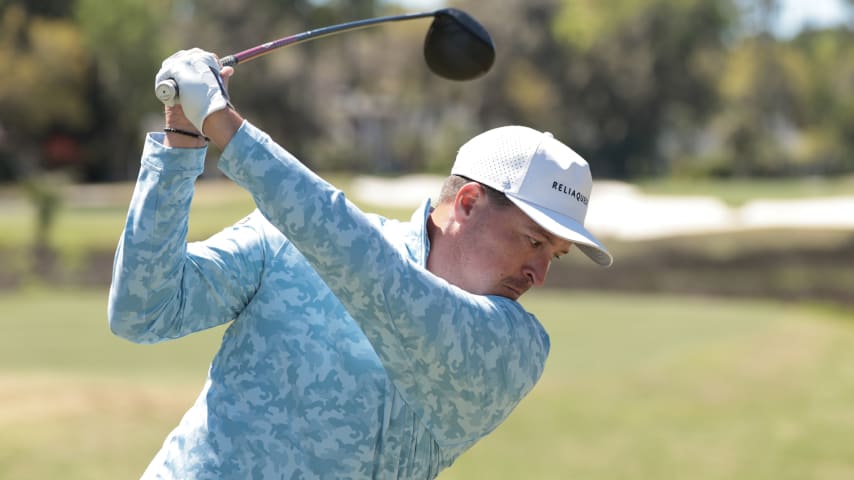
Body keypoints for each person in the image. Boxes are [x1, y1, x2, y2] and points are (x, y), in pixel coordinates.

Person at [108, 49, 612, 479]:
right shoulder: (286, 241)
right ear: (469, 203)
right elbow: (142, 311)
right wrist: (181, 140)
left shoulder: (515, 349)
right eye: (533, 242)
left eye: (555, 256)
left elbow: (379, 280)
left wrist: (222, 122)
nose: (539, 275)